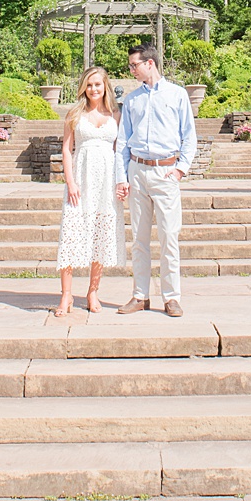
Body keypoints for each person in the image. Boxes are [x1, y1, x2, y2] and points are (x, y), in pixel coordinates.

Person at [115, 42, 197, 317]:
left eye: (134, 65)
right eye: (130, 66)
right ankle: (140, 296)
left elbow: (189, 135)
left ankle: (171, 298)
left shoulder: (177, 95)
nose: (131, 70)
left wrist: (180, 169)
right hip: (137, 171)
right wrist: (122, 177)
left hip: (165, 171)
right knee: (138, 239)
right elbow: (123, 141)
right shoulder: (132, 100)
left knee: (168, 237)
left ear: (150, 63)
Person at [55, 65, 127, 316]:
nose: (93, 89)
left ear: (105, 86)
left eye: (98, 84)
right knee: (72, 234)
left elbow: (121, 151)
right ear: (83, 87)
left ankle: (92, 292)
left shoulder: (116, 114)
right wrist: (70, 182)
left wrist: (122, 181)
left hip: (107, 183)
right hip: (81, 181)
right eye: (89, 84)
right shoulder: (74, 114)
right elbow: (66, 149)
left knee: (101, 234)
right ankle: (66, 295)